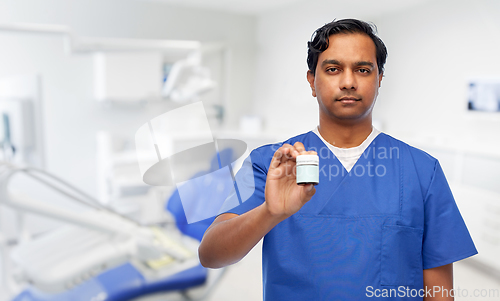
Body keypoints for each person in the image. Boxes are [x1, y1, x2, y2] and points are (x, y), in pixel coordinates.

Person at [198, 19, 477, 300]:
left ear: (379, 80)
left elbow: (439, 291)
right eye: (333, 69)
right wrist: (270, 213)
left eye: (363, 70)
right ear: (312, 81)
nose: (348, 82)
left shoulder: (422, 170)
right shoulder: (270, 163)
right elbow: (211, 254)